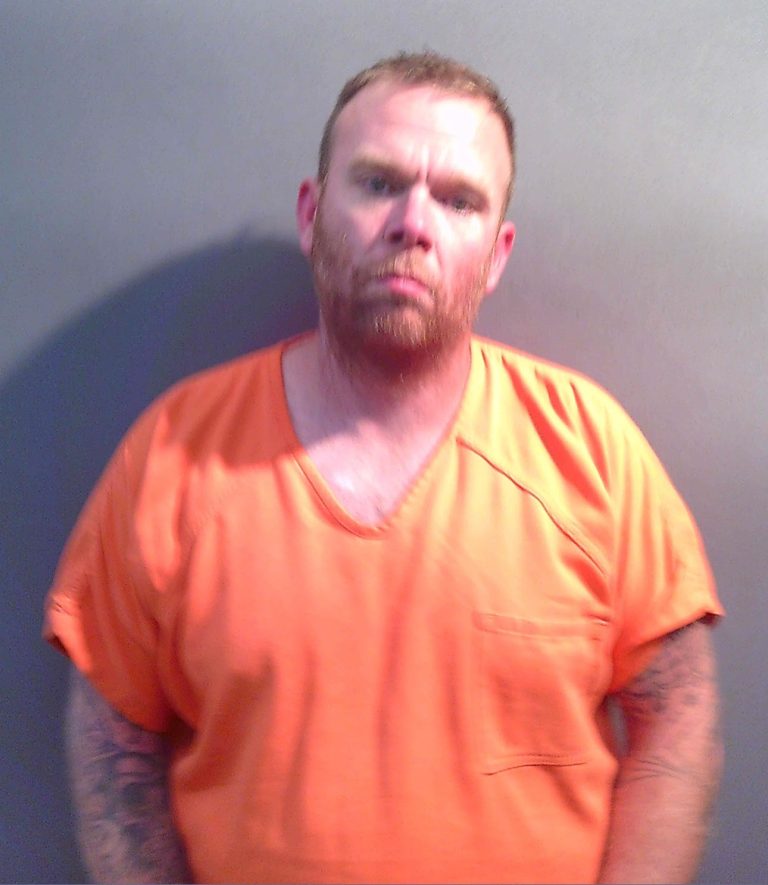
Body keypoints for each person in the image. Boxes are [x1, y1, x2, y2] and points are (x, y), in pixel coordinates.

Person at [44, 51, 724, 884]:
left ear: (497, 253)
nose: (413, 222)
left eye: (459, 200)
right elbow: (110, 740)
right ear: (311, 213)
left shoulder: (592, 449)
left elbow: (679, 721)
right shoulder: (173, 453)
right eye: (378, 183)